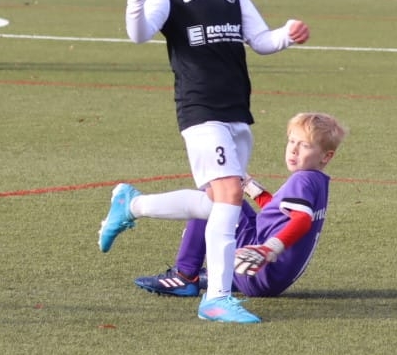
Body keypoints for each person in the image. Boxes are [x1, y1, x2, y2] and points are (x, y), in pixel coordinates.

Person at [98, 0, 309, 324]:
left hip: (237, 111)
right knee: (230, 193)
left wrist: (286, 34)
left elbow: (260, 40)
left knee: (218, 205)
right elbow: (138, 34)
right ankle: (216, 298)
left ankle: (132, 204)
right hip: (200, 109)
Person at [123, 112, 347, 300]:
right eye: (291, 141)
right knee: (230, 199)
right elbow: (278, 214)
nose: (294, 149)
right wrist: (250, 186)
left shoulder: (303, 180)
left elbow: (302, 221)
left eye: (305, 145)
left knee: (214, 197)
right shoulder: (317, 181)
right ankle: (220, 274)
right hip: (268, 278)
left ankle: (184, 276)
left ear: (326, 156)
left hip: (259, 270)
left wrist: (269, 249)